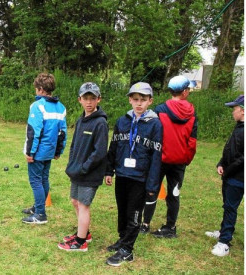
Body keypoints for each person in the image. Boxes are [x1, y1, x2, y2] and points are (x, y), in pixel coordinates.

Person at [104, 82, 162, 266]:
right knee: (122, 210)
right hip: (122, 174)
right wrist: (109, 170)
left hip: (140, 178)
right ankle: (123, 239)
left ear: (150, 101)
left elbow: (156, 157)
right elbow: (114, 147)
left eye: (143, 100)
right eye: (135, 99)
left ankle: (128, 250)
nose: (139, 103)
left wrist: (152, 185)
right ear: (130, 100)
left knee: (134, 213)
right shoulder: (122, 121)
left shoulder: (155, 125)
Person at [141, 75, 198, 238]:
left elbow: (152, 135)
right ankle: (170, 227)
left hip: (159, 160)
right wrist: (186, 159)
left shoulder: (160, 109)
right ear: (185, 92)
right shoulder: (193, 113)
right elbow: (192, 142)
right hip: (179, 162)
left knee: (152, 190)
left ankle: (144, 225)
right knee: (174, 193)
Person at [57, 82, 108, 251]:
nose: (89, 102)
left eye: (92, 98)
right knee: (75, 201)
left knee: (84, 205)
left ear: (98, 99)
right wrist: (72, 164)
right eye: (85, 98)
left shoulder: (100, 123)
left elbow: (99, 153)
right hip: (77, 171)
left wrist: (84, 168)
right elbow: (74, 146)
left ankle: (80, 242)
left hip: (89, 173)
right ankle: (84, 232)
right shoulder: (80, 120)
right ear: (79, 99)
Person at [21, 73, 67, 224]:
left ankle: (40, 214)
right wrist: (59, 151)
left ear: (40, 89)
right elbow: (63, 132)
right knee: (44, 179)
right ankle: (37, 207)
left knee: (35, 181)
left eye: (36, 88)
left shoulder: (37, 106)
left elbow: (33, 131)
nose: (35, 91)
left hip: (39, 151)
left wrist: (29, 152)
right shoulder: (61, 108)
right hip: (50, 151)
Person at [206, 95, 244, 257]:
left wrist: (228, 171)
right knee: (227, 205)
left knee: (230, 208)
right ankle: (223, 231)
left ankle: (224, 242)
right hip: (230, 175)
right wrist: (221, 163)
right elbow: (230, 149)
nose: (232, 112)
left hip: (238, 178)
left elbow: (242, 158)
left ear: (243, 111)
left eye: (234, 109)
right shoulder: (239, 127)